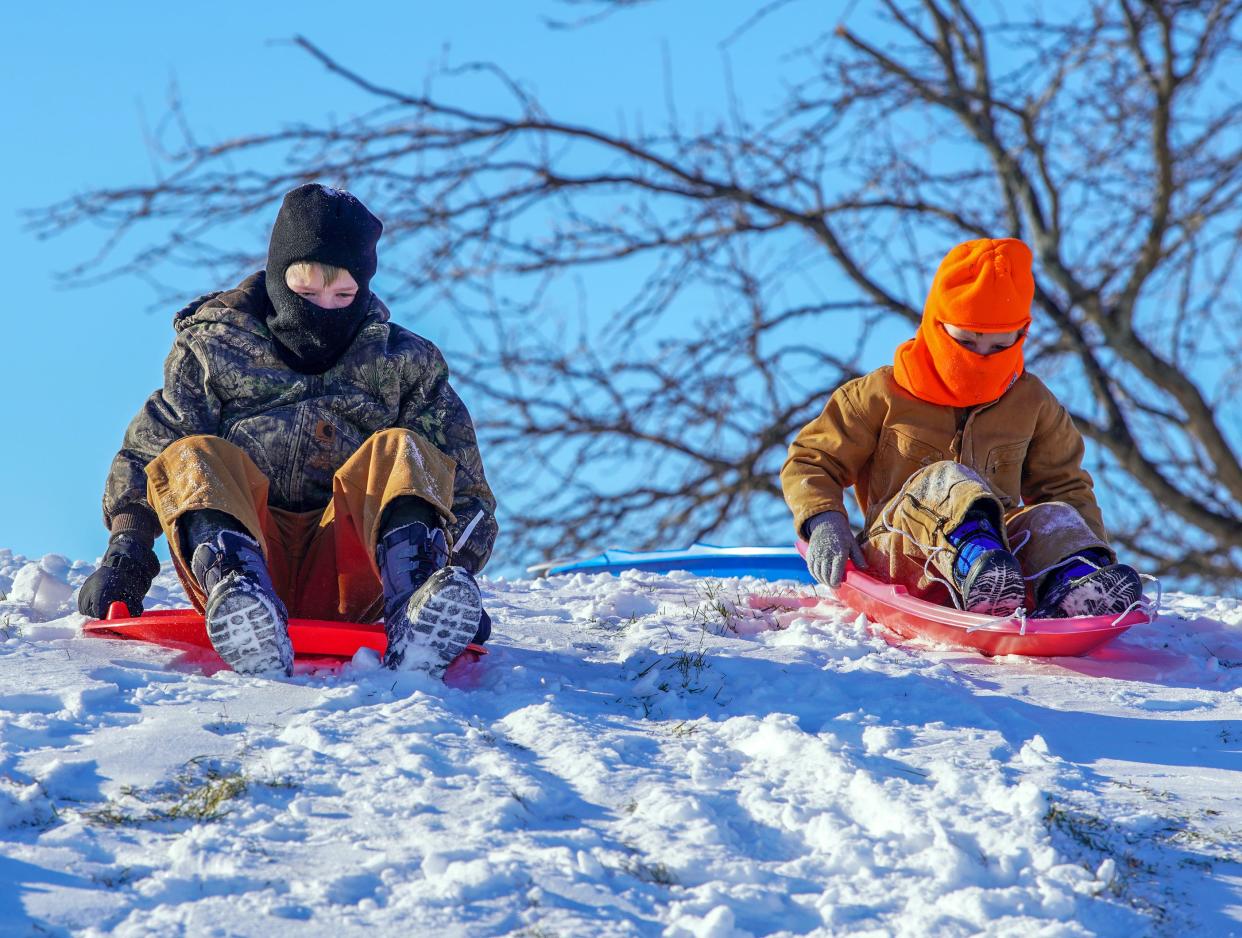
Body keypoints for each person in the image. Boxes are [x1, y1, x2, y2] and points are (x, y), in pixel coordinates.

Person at [77, 183, 499, 677]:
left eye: (344, 295)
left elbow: (463, 485)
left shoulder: (406, 363)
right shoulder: (213, 348)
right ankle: (242, 598)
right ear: (278, 278)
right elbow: (152, 449)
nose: (324, 307)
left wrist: (456, 574)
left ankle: (417, 610)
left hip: (355, 570)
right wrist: (126, 556)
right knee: (196, 453)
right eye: (306, 292)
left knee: (400, 449)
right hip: (243, 548)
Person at [782, 238, 1141, 619]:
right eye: (967, 342)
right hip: (904, 556)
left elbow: (1066, 486)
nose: (981, 359)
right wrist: (825, 521)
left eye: (999, 347)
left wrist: (1090, 545)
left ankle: (1080, 583)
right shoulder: (880, 395)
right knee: (947, 478)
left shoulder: (1032, 404)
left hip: (1007, 571)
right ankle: (979, 563)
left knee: (1051, 515)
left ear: (1021, 336)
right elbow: (812, 459)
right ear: (938, 326)